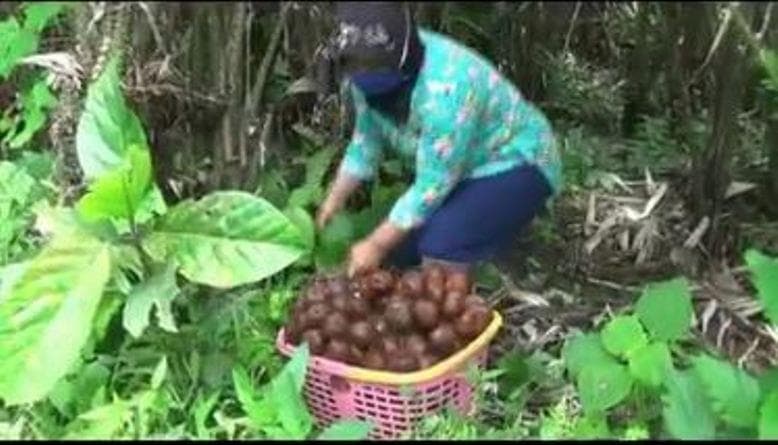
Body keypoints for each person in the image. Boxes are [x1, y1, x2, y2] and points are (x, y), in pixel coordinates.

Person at [316, 2, 561, 279]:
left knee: (441, 247)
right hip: (461, 169)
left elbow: (431, 186)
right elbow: (365, 144)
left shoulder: (447, 91)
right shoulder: (364, 68)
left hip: (516, 161)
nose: (379, 99)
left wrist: (375, 243)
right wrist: (333, 201)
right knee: (401, 254)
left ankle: (456, 307)